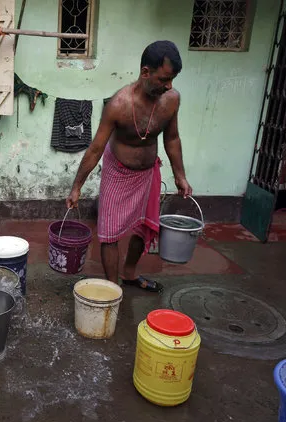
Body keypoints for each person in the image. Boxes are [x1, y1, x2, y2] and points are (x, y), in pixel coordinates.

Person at [66, 40, 192, 293]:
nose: (169, 86)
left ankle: (130, 274)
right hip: (118, 172)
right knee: (110, 234)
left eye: (173, 79)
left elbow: (172, 138)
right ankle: (113, 289)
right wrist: (76, 187)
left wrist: (180, 175)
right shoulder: (119, 105)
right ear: (146, 72)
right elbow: (95, 149)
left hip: (148, 173)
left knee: (143, 227)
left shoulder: (172, 99)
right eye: (164, 79)